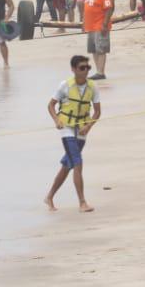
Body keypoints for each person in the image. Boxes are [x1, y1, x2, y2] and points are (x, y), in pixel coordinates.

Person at [45, 54, 101, 212]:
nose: (85, 71)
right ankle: (82, 202)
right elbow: (50, 105)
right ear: (74, 69)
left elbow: (97, 112)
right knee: (77, 161)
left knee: (68, 165)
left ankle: (49, 197)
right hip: (67, 128)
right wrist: (56, 120)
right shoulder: (65, 85)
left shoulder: (92, 86)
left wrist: (88, 126)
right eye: (82, 68)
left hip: (82, 127)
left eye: (87, 68)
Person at [82, 0, 114, 80]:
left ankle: (101, 72)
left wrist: (105, 24)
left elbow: (109, 8)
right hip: (90, 26)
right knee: (93, 50)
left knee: (101, 49)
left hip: (100, 25)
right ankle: (98, 71)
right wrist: (84, 23)